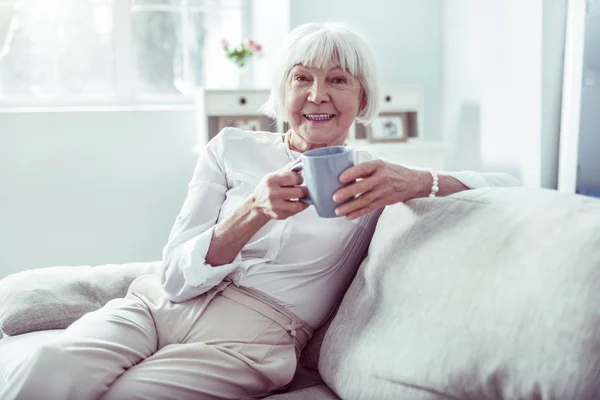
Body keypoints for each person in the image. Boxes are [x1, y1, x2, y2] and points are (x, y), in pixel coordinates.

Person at [2, 22, 519, 400]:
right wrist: (253, 210)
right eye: (302, 78)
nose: (318, 94)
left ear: (363, 99)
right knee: (48, 367)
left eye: (339, 80)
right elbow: (177, 275)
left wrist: (418, 180)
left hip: (252, 339)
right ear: (283, 91)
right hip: (157, 304)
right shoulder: (230, 148)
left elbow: (508, 186)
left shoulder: (374, 178)